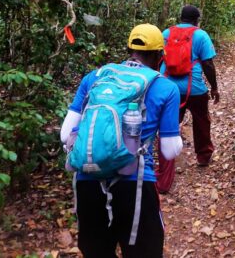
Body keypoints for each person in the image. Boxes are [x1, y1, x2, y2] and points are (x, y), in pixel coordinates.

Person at [60, 24, 182, 258]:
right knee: (144, 251)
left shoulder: (95, 77)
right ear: (159, 56)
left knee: (97, 251)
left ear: (128, 50)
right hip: (134, 182)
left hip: (88, 179)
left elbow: (66, 135)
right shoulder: (165, 87)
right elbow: (169, 151)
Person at [157, 5, 219, 194]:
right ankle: (203, 156)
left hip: (168, 86)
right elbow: (207, 63)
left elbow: (157, 58)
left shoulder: (166, 33)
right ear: (197, 19)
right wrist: (214, 87)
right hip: (194, 88)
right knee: (201, 120)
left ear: (180, 18)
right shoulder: (201, 35)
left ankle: (166, 167)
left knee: (169, 124)